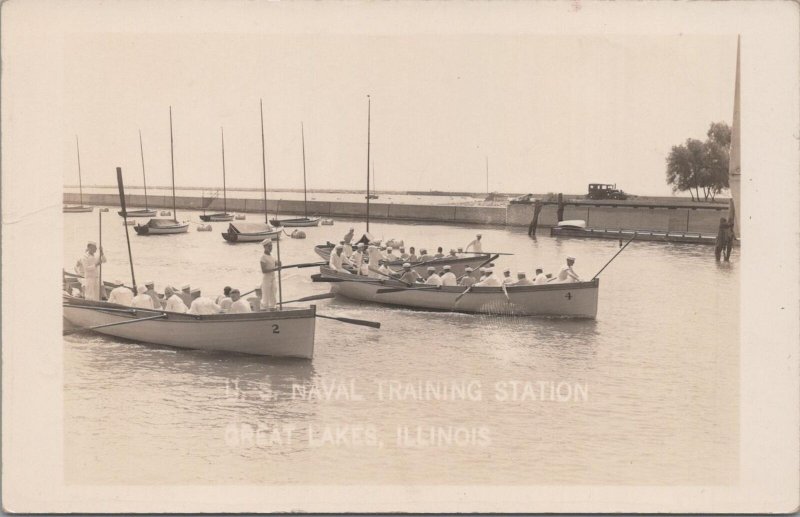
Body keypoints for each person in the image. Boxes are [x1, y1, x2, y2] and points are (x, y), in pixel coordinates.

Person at [260, 239, 280, 310]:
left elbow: (277, 264)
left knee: (274, 293)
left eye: (271, 246)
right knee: (266, 296)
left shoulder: (272, 256)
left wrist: (279, 263)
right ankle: (264, 309)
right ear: (265, 247)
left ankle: (273, 308)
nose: (270, 248)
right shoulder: (263, 257)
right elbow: (264, 270)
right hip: (266, 279)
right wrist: (275, 269)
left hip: (273, 278)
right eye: (269, 246)